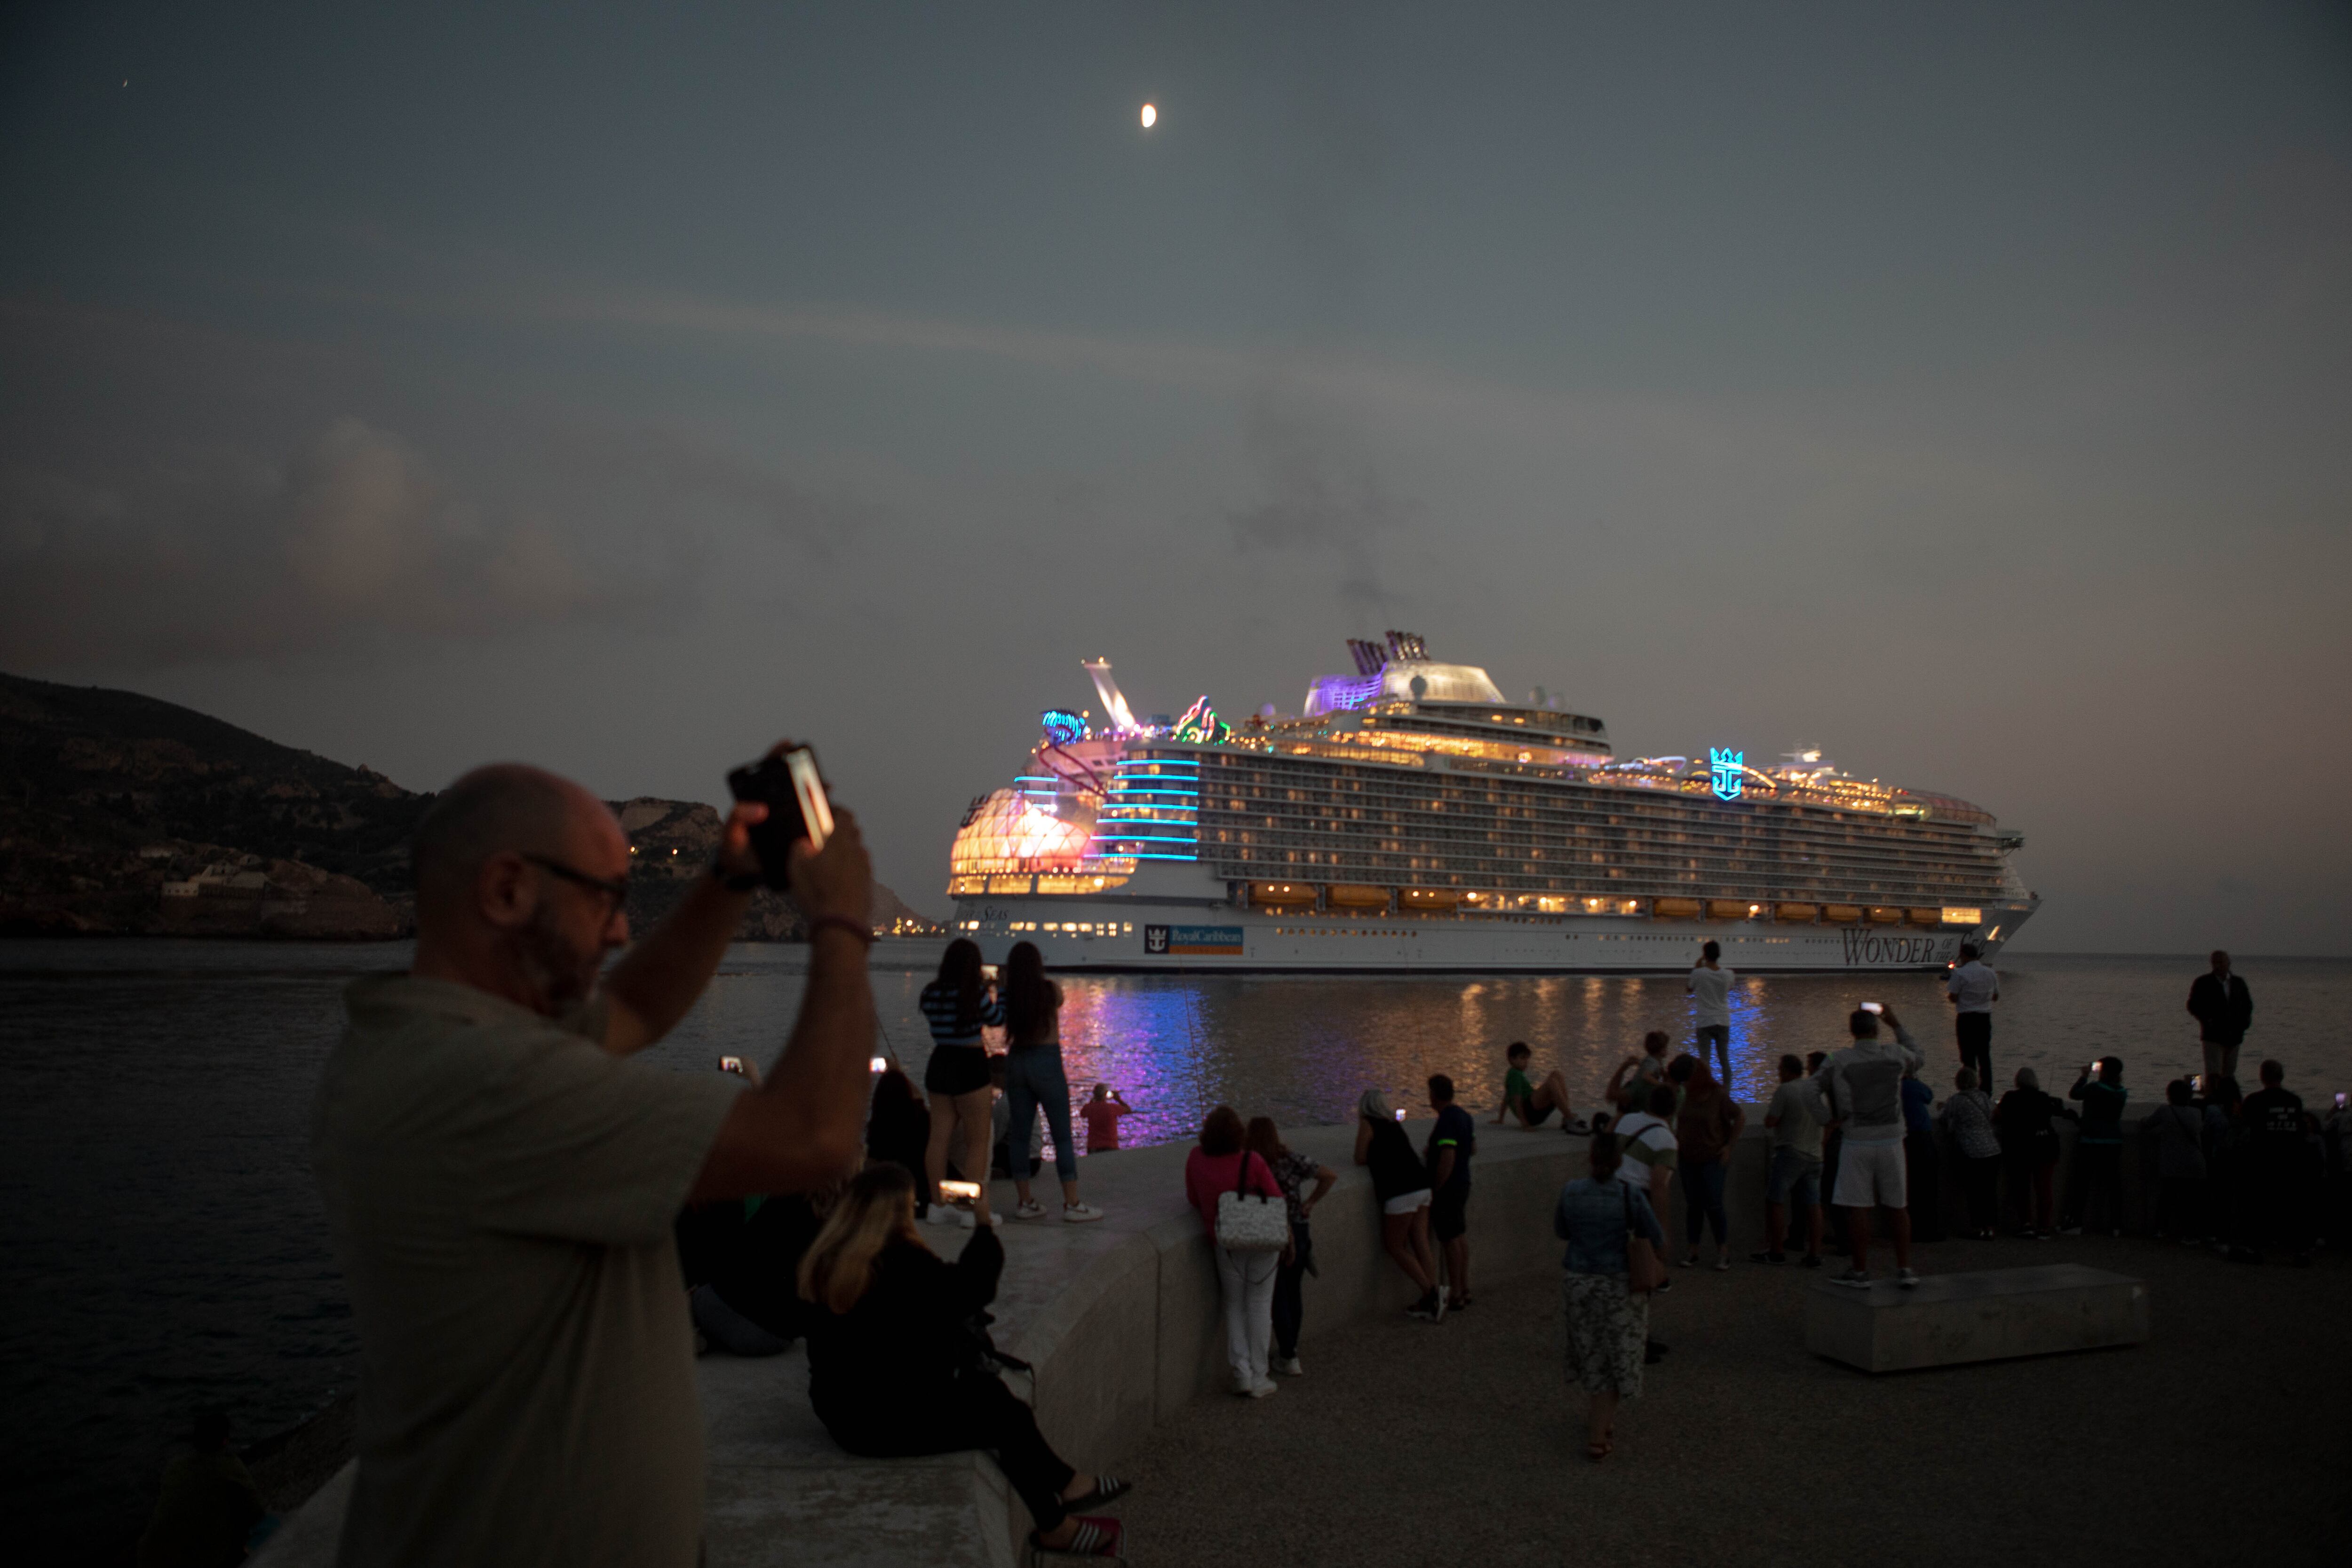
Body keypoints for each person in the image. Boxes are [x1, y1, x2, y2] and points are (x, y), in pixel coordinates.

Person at [313, 756, 876, 1567]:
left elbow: (636, 1006)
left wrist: (729, 876)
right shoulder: (480, 1086)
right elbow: (814, 1137)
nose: (621, 930)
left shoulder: (435, 1038)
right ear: (507, 888)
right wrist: (843, 922)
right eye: (605, 898)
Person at [799, 1166, 1128, 1558]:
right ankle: (1061, 1511)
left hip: (842, 1410)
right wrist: (984, 1223)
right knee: (1006, 1419)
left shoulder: (826, 1259)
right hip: (880, 1423)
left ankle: (1063, 1503)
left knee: (995, 1400)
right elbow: (973, 1287)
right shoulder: (901, 1262)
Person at [1553, 1133, 1666, 1464]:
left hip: (1579, 1282)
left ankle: (1601, 1419)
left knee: (1592, 1354)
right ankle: (1597, 1437)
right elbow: (1655, 1236)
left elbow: (1562, 1231)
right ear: (1619, 1162)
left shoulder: (1571, 1191)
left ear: (1591, 1157)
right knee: (1619, 1358)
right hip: (1618, 1285)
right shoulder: (1629, 1196)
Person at [1184, 1106, 1285, 1395]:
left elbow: (1193, 1198)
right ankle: (1260, 1376)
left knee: (1234, 1305)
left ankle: (1241, 1373)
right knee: (1259, 1304)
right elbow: (1276, 1200)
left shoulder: (1195, 1157)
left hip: (1226, 1242)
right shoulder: (1252, 1161)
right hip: (1263, 1242)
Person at [1000, 942, 1103, 1222]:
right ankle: (1072, 1204)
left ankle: (1025, 1202)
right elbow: (1059, 1001)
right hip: (1047, 1062)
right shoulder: (1050, 991)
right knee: (1062, 1137)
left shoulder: (1008, 996)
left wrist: (1001, 984)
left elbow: (999, 1016)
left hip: (1017, 1061)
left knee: (1019, 1136)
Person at [1822, 1004, 1923, 1287]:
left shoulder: (1838, 1059)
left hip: (1856, 1140)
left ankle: (1860, 1271)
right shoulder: (1895, 1054)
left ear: (1852, 1032)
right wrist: (1897, 1024)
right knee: (1898, 1207)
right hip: (1892, 1140)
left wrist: (1829, 1119)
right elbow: (1920, 1058)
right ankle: (1905, 1269)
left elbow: (1812, 1089)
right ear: (1877, 1029)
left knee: (1858, 1209)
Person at [920, 940, 1003, 1227]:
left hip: (940, 1063)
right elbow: (996, 1019)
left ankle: (938, 1204)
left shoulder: (930, 994)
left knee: (938, 1138)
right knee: (977, 1141)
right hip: (970, 1066)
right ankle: (971, 1209)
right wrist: (1000, 991)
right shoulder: (974, 994)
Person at [1247, 1116, 1335, 1378]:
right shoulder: (1292, 1159)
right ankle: (1290, 1350)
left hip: (1268, 1229)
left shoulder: (1250, 1163)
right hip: (1298, 1227)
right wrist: (1309, 1203)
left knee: (1276, 1295)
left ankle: (1288, 1354)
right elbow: (1330, 1176)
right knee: (1294, 1291)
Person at [137, 1406, 266, 1568]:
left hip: (149, 1558)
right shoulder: (229, 1467)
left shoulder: (176, 1467)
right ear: (224, 1441)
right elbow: (258, 1510)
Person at [1354, 1089, 1442, 1320]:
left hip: (1400, 1192)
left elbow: (1359, 1157)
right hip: (1422, 1186)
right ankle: (1431, 1298)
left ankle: (1431, 1293)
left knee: (1395, 1246)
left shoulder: (1368, 1124)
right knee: (1420, 1240)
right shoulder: (1395, 1124)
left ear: (1365, 1108)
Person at [2240, 1060, 2314, 1266]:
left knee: (2258, 1206)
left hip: (2263, 1160)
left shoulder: (2254, 1100)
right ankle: (2300, 1251)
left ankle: (2254, 1248)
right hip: (2291, 1160)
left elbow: (2244, 1126)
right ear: (2282, 1077)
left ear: (2262, 1077)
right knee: (2293, 1207)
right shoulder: (2295, 1101)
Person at [1672, 1056, 1743, 1269]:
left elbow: (1740, 1117)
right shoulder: (1682, 1095)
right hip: (1687, 1158)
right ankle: (1693, 1250)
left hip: (1713, 1158)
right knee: (1693, 1205)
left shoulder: (1718, 1095)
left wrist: (1729, 1146)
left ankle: (1723, 1251)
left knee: (1714, 1204)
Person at [1756, 1053, 1826, 1265]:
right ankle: (1814, 1253)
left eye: (1779, 1070)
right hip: (1815, 1156)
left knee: (1775, 1200)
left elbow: (1771, 1121)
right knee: (1813, 1205)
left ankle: (1776, 1251)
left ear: (1786, 1071)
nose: (1778, 1074)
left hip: (1791, 1153)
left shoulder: (1785, 1090)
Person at [1994, 1067, 2070, 1237]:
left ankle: (2026, 1224)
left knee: (2022, 1189)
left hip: (2020, 1150)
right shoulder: (2044, 1098)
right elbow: (2058, 1110)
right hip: (2045, 1148)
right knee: (2044, 1189)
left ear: (2018, 1081)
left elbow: (1997, 1116)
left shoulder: (2010, 1098)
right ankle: (2044, 1227)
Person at [1425, 1074, 1478, 1310]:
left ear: (1434, 1095)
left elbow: (1447, 1158)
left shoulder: (1446, 1120)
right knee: (1459, 1236)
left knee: (1449, 1241)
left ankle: (1456, 1293)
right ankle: (1465, 1288)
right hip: (1463, 1183)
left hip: (1449, 1188)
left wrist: (1436, 1187)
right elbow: (1473, 1148)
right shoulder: (1464, 1116)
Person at [2062, 1057, 2129, 1236]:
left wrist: (2084, 1076)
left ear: (2103, 1071)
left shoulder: (2094, 1088)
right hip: (2114, 1142)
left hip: (2091, 1141)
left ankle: (2076, 1222)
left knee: (2082, 1183)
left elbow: (2075, 1094)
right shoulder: (2122, 1092)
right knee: (2114, 1185)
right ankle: (2116, 1225)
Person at [2141, 1079, 2209, 1244]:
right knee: (2191, 1202)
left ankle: (2161, 1230)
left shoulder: (2165, 1112)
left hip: (2172, 1164)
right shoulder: (2197, 1113)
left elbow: (2147, 1125)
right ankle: (2191, 1235)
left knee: (2167, 1198)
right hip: (2195, 1164)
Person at [1940, 1068, 2002, 1239]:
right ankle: (1990, 1227)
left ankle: (1978, 1228)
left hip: (1972, 1152)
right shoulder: (1984, 1097)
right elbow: (1995, 1115)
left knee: (1974, 1191)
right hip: (1992, 1150)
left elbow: (1944, 1119)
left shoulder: (1956, 1101)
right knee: (1989, 1191)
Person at [2186, 950, 2254, 1085]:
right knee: (2213, 1073)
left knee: (2229, 1073)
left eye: (2221, 962)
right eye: (2215, 963)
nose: (2218, 966)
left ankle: (2228, 1101)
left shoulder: (2238, 983)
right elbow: (2192, 1005)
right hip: (2213, 1036)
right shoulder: (2203, 982)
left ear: (2228, 963)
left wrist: (2244, 1024)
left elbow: (2247, 1005)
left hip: (2234, 1036)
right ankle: (2208, 1098)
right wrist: (2207, 1020)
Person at [1493, 1041, 1584, 1132]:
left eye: (1527, 1059)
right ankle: (1570, 1119)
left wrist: (1501, 1119)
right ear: (1512, 1059)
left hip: (1533, 1109)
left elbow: (1506, 1098)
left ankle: (1567, 1117)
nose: (1526, 1062)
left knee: (1556, 1074)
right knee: (1551, 1082)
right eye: (1522, 1058)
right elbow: (1517, 1101)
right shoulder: (1515, 1075)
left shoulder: (1514, 1074)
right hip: (1530, 1113)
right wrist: (1525, 1125)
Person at [1900, 1061, 1946, 1243]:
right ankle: (1930, 1229)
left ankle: (1913, 1229)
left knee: (1912, 1188)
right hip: (1922, 1139)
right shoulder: (1915, 1087)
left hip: (1906, 1140)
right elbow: (1929, 1095)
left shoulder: (1896, 1088)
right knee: (1929, 1187)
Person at [1944, 942, 2000, 1089]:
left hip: (1966, 1019)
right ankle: (1987, 1091)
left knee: (1968, 1057)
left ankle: (1970, 1089)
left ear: (1964, 955)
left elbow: (1953, 997)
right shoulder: (1990, 973)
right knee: (1984, 1057)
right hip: (1984, 1019)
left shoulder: (1960, 973)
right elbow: (1995, 997)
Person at [1687, 940, 1735, 1084]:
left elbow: (1689, 989)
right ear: (1719, 955)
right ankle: (1727, 1093)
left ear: (1705, 955)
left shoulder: (1698, 973)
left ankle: (1706, 1092)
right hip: (1723, 1020)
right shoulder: (1729, 974)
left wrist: (1698, 965)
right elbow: (1729, 989)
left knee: (1705, 1061)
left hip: (1704, 1021)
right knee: (1724, 1060)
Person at [1605, 1031, 1672, 1118]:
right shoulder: (1653, 1062)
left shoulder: (1655, 1061)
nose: (1667, 1050)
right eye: (1666, 1048)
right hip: (1637, 1090)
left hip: (1639, 1090)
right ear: (1662, 1050)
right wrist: (1661, 1085)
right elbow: (1646, 1076)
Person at [1079, 1083, 1134, 1152]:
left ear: (1094, 1094)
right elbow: (1129, 1110)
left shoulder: (1089, 1108)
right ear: (1105, 1094)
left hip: (1093, 1147)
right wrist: (1118, 1099)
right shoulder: (1112, 1108)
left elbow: (1082, 1114)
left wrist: (1092, 1101)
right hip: (1111, 1146)